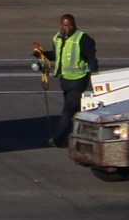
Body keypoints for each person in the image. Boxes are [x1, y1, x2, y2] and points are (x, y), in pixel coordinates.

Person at [36, 13, 98, 146]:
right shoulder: (57, 38)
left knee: (68, 110)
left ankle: (58, 139)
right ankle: (78, 137)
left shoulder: (82, 38)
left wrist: (95, 77)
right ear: (61, 26)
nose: (68, 27)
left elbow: (91, 58)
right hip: (65, 81)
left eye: (70, 24)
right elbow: (57, 56)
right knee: (75, 110)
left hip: (79, 80)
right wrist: (42, 54)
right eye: (65, 25)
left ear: (74, 24)